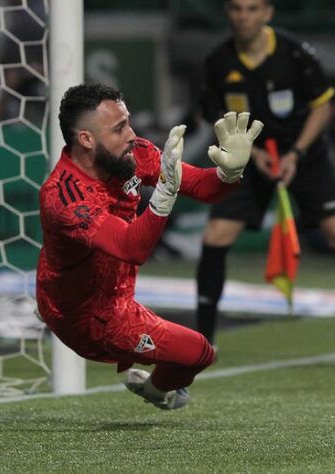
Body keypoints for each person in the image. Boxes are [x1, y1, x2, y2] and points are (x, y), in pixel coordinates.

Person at [36, 83, 263, 409]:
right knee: (199, 352)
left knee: (193, 355)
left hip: (110, 291)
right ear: (86, 139)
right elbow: (133, 249)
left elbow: (200, 186)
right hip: (89, 320)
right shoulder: (64, 195)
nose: (132, 134)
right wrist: (163, 196)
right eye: (119, 128)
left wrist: (230, 171)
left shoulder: (130, 154)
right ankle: (161, 389)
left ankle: (156, 389)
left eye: (127, 121)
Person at [195, 0, 335, 362]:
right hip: (249, 158)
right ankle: (202, 345)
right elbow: (214, 113)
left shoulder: (296, 54)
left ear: (268, 13)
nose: (243, 17)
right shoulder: (218, 61)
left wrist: (296, 155)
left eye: (252, 9)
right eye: (237, 9)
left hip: (306, 156)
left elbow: (322, 106)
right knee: (215, 236)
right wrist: (248, 153)